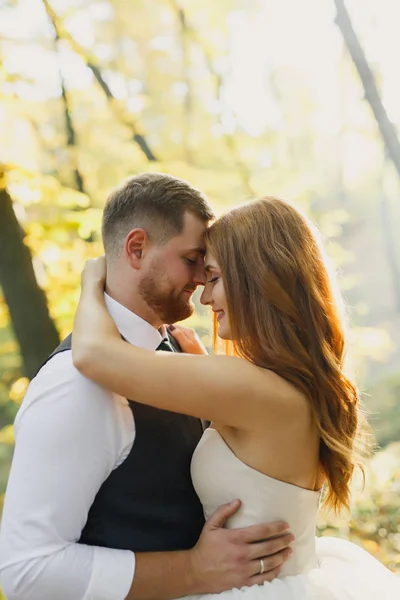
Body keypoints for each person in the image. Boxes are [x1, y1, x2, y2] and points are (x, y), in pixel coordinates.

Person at [71, 196, 399, 599]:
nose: (205, 299)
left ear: (258, 279)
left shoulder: (251, 388)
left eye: (213, 277)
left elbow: (93, 354)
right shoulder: (291, 384)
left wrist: (90, 283)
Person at [0, 174, 293, 600]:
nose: (201, 279)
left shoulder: (181, 350)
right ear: (136, 248)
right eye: (192, 259)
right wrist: (192, 571)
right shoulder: (74, 386)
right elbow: (25, 570)